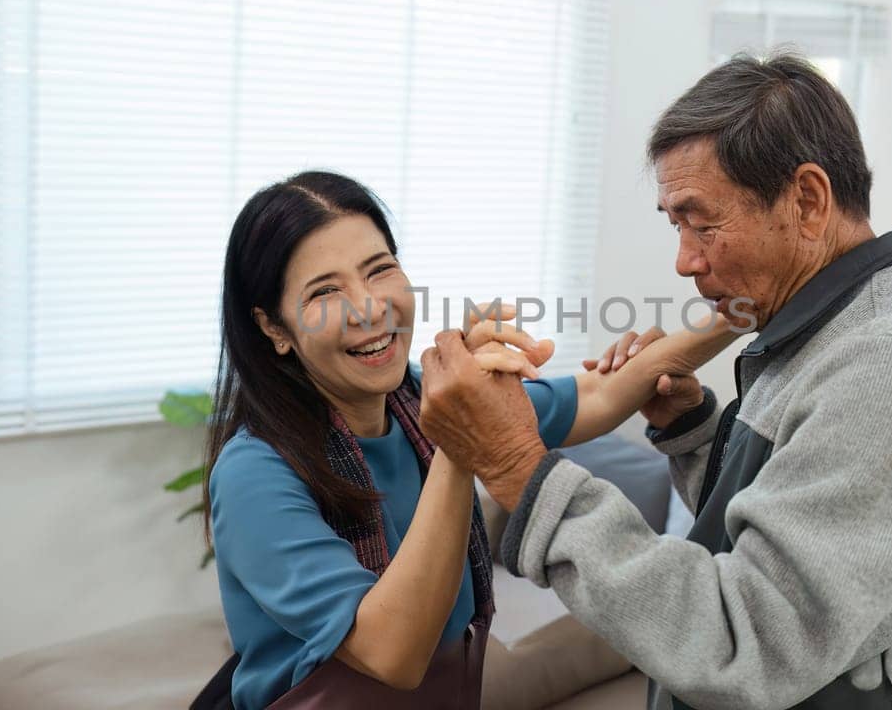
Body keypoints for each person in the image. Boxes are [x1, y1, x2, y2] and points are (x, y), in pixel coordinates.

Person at [417, 53, 892, 710]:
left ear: (808, 201)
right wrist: (691, 429)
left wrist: (516, 467)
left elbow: (746, 643)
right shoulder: (821, 332)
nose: (684, 260)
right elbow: (783, 537)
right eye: (675, 224)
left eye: (702, 222)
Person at [198, 170, 737, 709]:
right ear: (274, 328)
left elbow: (600, 393)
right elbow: (392, 654)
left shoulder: (417, 394)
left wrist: (744, 310)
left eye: (379, 269)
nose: (367, 307)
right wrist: (459, 437)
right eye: (325, 291)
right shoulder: (255, 472)